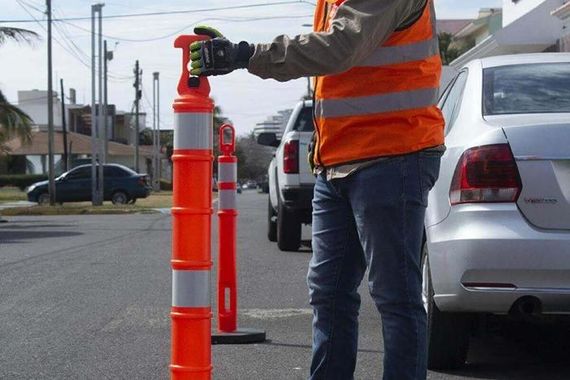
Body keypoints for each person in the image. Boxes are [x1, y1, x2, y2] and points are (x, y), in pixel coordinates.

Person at [190, 0, 444, 379]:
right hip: (337, 161)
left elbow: (338, 48)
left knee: (396, 297)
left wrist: (246, 54)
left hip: (393, 155)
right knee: (329, 293)